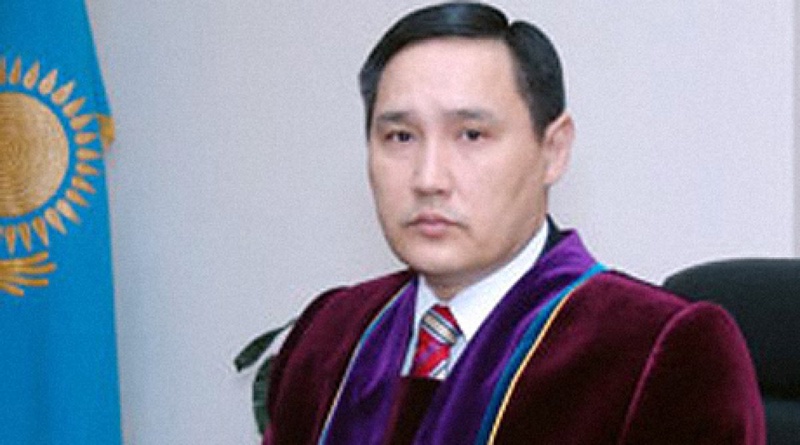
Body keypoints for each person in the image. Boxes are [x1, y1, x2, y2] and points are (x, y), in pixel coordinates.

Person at [263, 2, 765, 444]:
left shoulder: (659, 349)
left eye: (471, 135)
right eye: (400, 137)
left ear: (553, 150)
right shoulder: (330, 333)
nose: (428, 178)